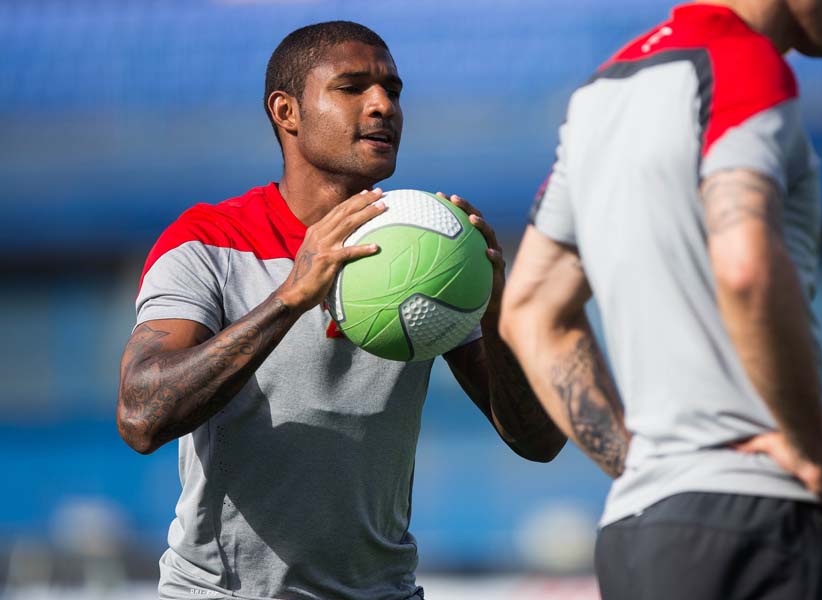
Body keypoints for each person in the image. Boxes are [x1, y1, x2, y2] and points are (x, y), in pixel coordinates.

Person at [116, 21, 565, 600]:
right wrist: (290, 298)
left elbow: (538, 441)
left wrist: (494, 314)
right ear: (287, 112)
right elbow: (140, 416)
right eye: (352, 88)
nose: (383, 105)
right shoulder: (209, 241)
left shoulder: (430, 246)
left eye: (393, 91)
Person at [500, 0, 822, 598]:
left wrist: (646, 465)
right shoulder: (746, 62)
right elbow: (746, 265)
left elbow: (529, 309)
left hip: (636, 532)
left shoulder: (601, 91)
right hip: (757, 522)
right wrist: (818, 458)